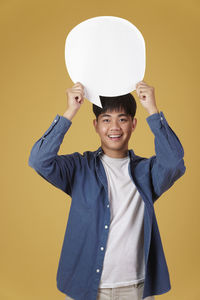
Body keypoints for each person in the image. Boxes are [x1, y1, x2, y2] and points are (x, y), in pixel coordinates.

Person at [28, 81, 186, 300]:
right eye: (106, 119)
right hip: (86, 288)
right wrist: (70, 112)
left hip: (137, 288)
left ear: (133, 124)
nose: (114, 127)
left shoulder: (147, 172)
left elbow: (174, 164)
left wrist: (153, 110)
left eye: (122, 119)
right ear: (95, 125)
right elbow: (39, 161)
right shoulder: (79, 168)